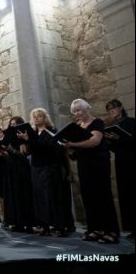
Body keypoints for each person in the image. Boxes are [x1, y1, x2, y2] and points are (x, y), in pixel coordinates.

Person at [63, 99, 119, 244]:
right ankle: (95, 229)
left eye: (80, 110)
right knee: (89, 197)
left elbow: (95, 141)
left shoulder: (97, 122)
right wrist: (68, 148)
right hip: (84, 164)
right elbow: (74, 152)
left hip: (98, 163)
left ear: (87, 109)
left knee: (103, 196)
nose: (77, 113)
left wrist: (74, 144)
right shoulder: (76, 126)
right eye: (75, 111)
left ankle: (110, 231)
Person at [17, 108, 69, 237]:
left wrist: (29, 140)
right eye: (34, 117)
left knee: (52, 196)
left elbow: (48, 147)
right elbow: (29, 151)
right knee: (39, 196)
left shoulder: (51, 131)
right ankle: (44, 225)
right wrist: (24, 141)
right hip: (36, 167)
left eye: (39, 116)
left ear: (45, 117)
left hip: (50, 166)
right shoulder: (32, 132)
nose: (37, 119)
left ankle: (58, 226)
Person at [104, 99, 135, 239]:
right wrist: (111, 140)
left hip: (132, 161)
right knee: (125, 194)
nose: (112, 113)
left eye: (114, 110)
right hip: (121, 162)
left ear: (121, 108)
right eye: (110, 111)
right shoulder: (114, 125)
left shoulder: (131, 122)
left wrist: (119, 138)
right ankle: (132, 228)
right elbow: (115, 148)